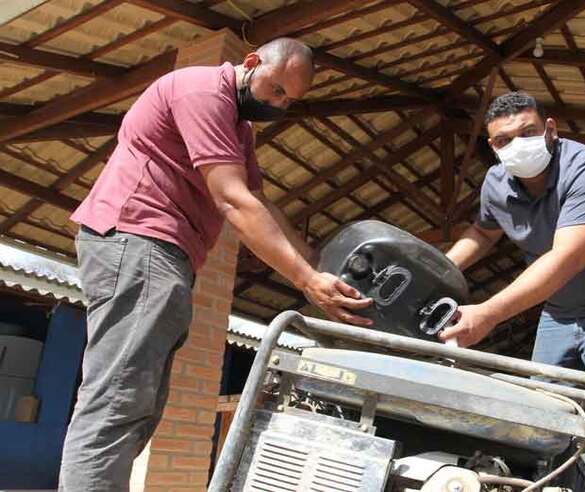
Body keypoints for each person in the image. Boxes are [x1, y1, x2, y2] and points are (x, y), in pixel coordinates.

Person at [59, 38, 372, 491]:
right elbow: (234, 200)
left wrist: (320, 263)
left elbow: (260, 199)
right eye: (276, 89)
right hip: (139, 240)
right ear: (251, 63)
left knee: (138, 403)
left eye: (289, 100)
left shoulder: (237, 126)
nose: (278, 104)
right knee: (118, 400)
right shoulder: (201, 92)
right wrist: (306, 281)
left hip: (162, 254)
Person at [441, 91, 585, 491]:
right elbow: (483, 231)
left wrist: (488, 312)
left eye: (527, 132)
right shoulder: (496, 184)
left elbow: (568, 259)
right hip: (562, 306)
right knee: (548, 416)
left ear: (550, 130)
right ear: (492, 147)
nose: (517, 146)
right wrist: (438, 269)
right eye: (504, 141)